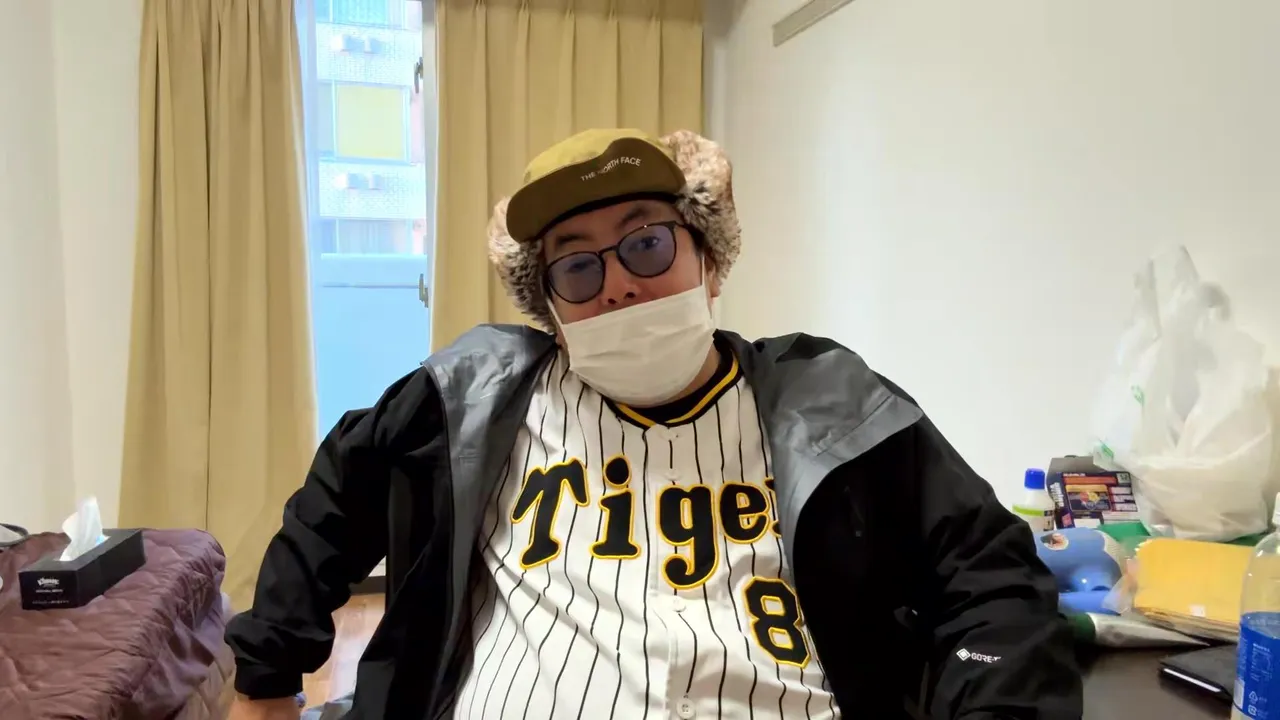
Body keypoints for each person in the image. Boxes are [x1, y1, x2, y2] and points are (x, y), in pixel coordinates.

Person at [225, 128, 1083, 719]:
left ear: (710, 259)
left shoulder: (830, 403)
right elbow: (335, 495)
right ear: (548, 306)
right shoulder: (475, 397)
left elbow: (991, 578)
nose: (619, 286)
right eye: (577, 267)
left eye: (646, 244)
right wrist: (266, 676)